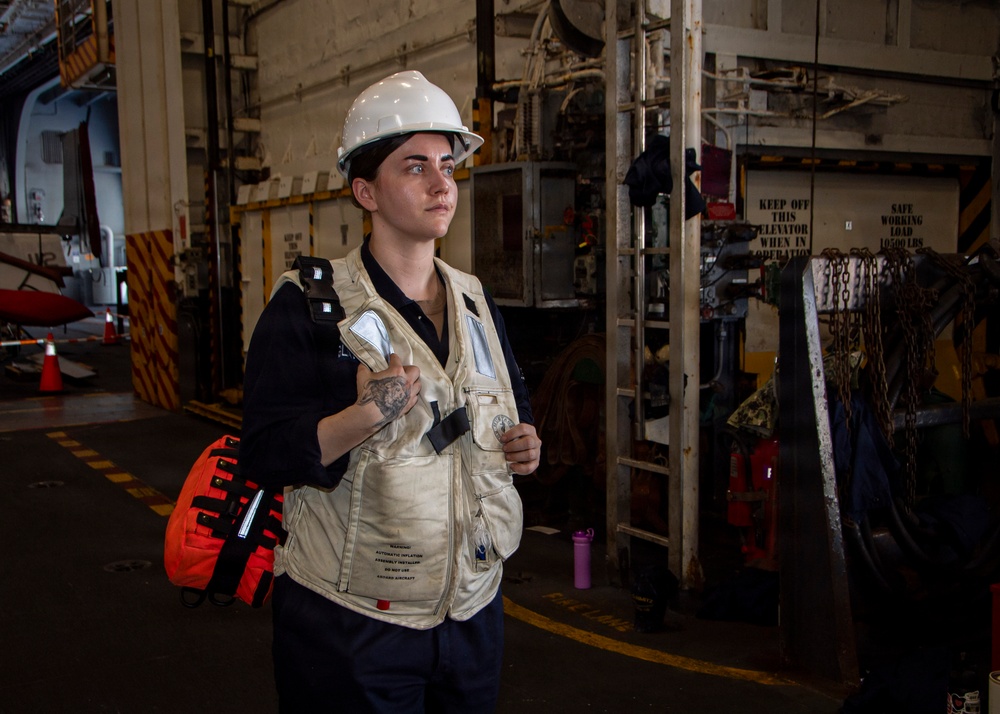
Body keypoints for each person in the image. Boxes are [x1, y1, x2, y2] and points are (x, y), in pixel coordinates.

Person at [240, 70, 541, 713]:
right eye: (414, 167)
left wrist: (525, 446)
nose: (441, 184)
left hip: (471, 615)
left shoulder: (475, 300)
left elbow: (510, 406)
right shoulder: (312, 306)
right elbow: (265, 452)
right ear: (365, 191)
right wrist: (365, 415)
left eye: (446, 164)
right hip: (350, 629)